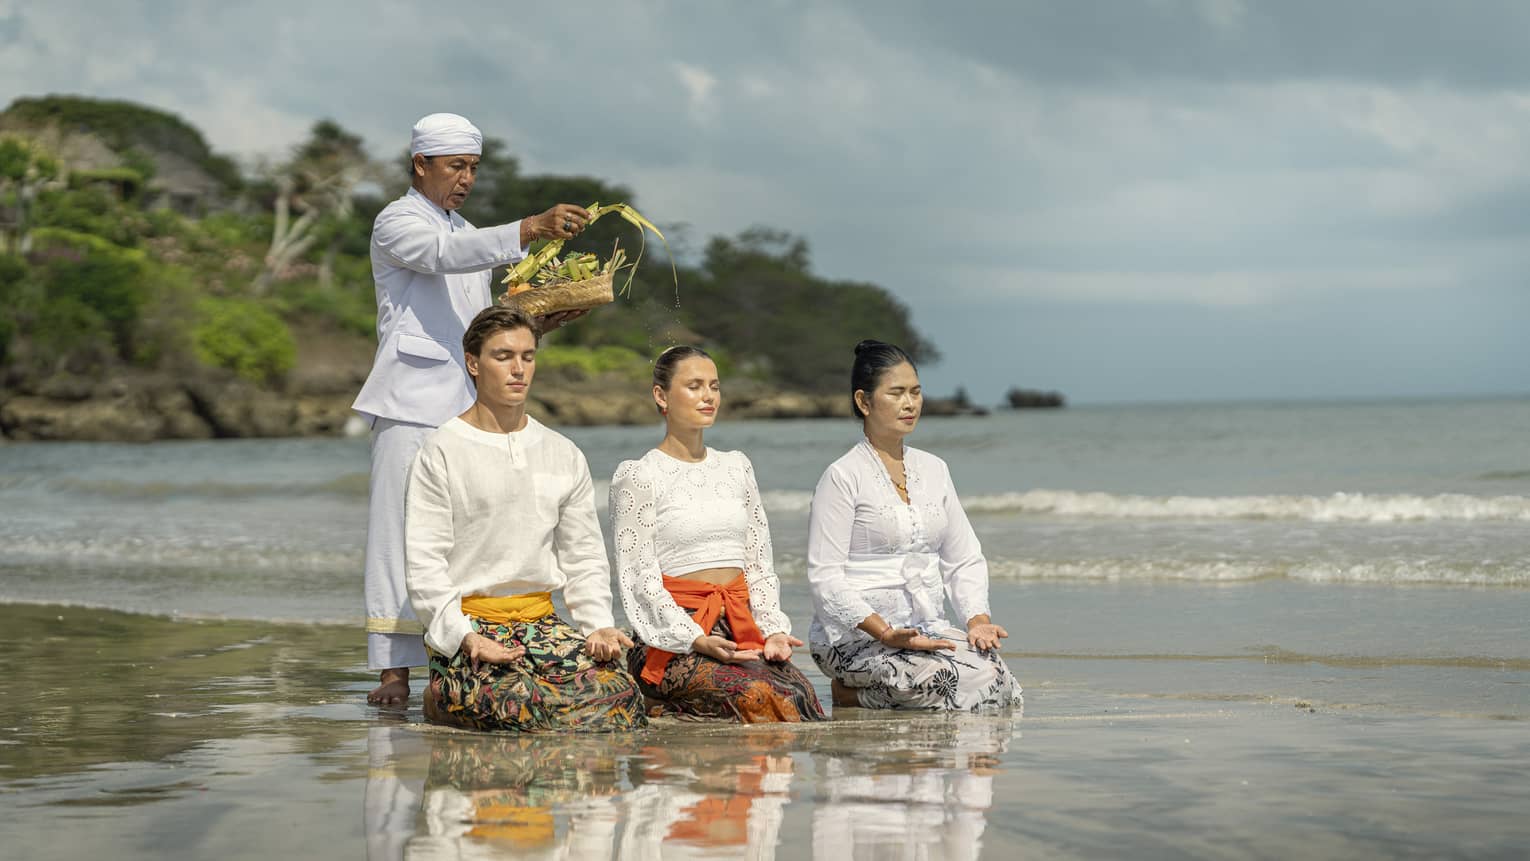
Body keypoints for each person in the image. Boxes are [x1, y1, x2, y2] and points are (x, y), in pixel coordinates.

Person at [354, 112, 592, 705]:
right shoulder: (398, 221)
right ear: (421, 166)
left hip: (467, 408)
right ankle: (392, 672)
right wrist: (531, 227)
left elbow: (477, 326)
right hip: (412, 404)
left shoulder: (466, 230)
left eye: (473, 168)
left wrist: (536, 323)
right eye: (456, 166)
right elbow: (441, 255)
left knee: (463, 535)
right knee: (397, 536)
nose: (465, 178)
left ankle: (453, 648)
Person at [404, 306, 645, 732]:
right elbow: (424, 562)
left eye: (527, 356)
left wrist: (598, 626)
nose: (518, 369)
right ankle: (438, 693)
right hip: (470, 626)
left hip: (542, 623)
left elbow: (583, 553)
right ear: (473, 363)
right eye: (503, 357)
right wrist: (463, 637)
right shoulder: (441, 450)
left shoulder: (562, 450)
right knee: (519, 707)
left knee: (619, 695)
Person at [609, 346, 826, 722]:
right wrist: (693, 638)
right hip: (674, 634)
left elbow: (758, 562)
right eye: (694, 386)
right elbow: (638, 577)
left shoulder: (736, 466)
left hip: (738, 623)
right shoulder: (639, 475)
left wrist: (773, 629)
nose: (708, 396)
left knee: (798, 695)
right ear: (661, 396)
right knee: (755, 696)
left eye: (714, 386)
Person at [806, 340, 1020, 711]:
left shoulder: (934, 469)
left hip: (924, 629)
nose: (910, 404)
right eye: (897, 393)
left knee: (999, 682)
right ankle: (849, 694)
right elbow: (825, 577)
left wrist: (977, 620)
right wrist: (886, 633)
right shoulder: (842, 476)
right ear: (863, 401)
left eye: (916, 392)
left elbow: (963, 557)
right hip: (855, 636)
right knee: (940, 683)